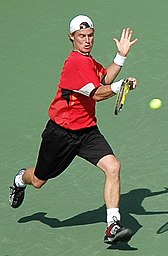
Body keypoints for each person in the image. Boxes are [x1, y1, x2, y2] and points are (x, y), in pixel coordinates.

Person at [9, 15, 138, 244]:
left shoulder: (88, 61)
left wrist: (121, 56)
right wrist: (121, 85)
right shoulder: (74, 64)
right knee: (38, 180)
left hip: (87, 131)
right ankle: (20, 179)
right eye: (81, 37)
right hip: (61, 133)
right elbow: (98, 93)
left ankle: (112, 226)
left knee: (113, 166)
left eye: (90, 36)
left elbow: (104, 77)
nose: (87, 41)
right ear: (72, 37)